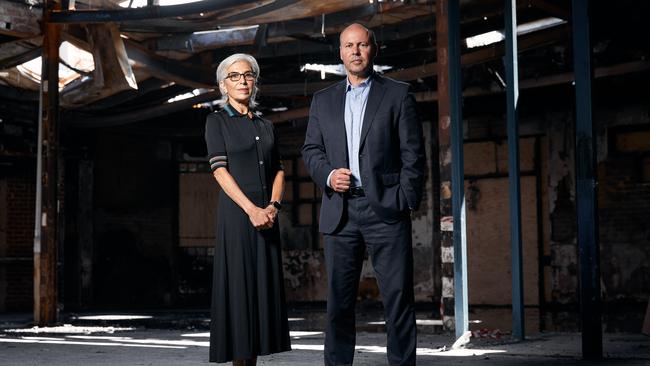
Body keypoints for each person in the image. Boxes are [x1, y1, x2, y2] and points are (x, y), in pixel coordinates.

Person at [301, 23, 425, 365]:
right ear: (340, 53)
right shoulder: (322, 101)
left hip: (385, 211)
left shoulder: (398, 94)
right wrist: (327, 174)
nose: (356, 51)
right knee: (338, 302)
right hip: (340, 212)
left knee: (398, 298)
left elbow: (414, 154)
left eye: (362, 45)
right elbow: (311, 150)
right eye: (349, 45)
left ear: (374, 49)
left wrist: (404, 199)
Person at [204, 53, 291, 365]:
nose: (242, 81)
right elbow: (219, 171)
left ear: (255, 82)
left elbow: (279, 170)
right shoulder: (216, 121)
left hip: (267, 219)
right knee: (241, 299)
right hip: (238, 219)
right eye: (234, 76)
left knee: (260, 300)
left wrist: (272, 207)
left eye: (248, 75)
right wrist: (252, 210)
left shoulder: (266, 125)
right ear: (223, 85)